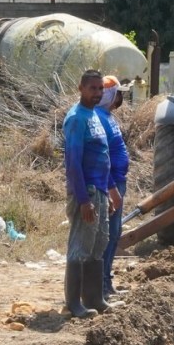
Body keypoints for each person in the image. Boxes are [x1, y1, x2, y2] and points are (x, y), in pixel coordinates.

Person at [62, 69, 119, 318]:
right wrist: (84, 200)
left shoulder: (95, 115)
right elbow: (73, 163)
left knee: (99, 245)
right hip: (86, 192)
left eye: (100, 89)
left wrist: (108, 192)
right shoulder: (77, 119)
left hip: (100, 191)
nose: (97, 93)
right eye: (92, 88)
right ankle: (74, 304)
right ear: (81, 89)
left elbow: (103, 157)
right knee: (80, 247)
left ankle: (95, 298)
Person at [98, 75, 130, 300]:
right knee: (109, 234)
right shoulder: (99, 118)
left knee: (115, 232)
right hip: (110, 184)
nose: (120, 99)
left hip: (118, 181)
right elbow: (101, 157)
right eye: (118, 94)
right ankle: (101, 283)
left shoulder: (108, 117)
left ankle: (106, 280)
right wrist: (111, 187)